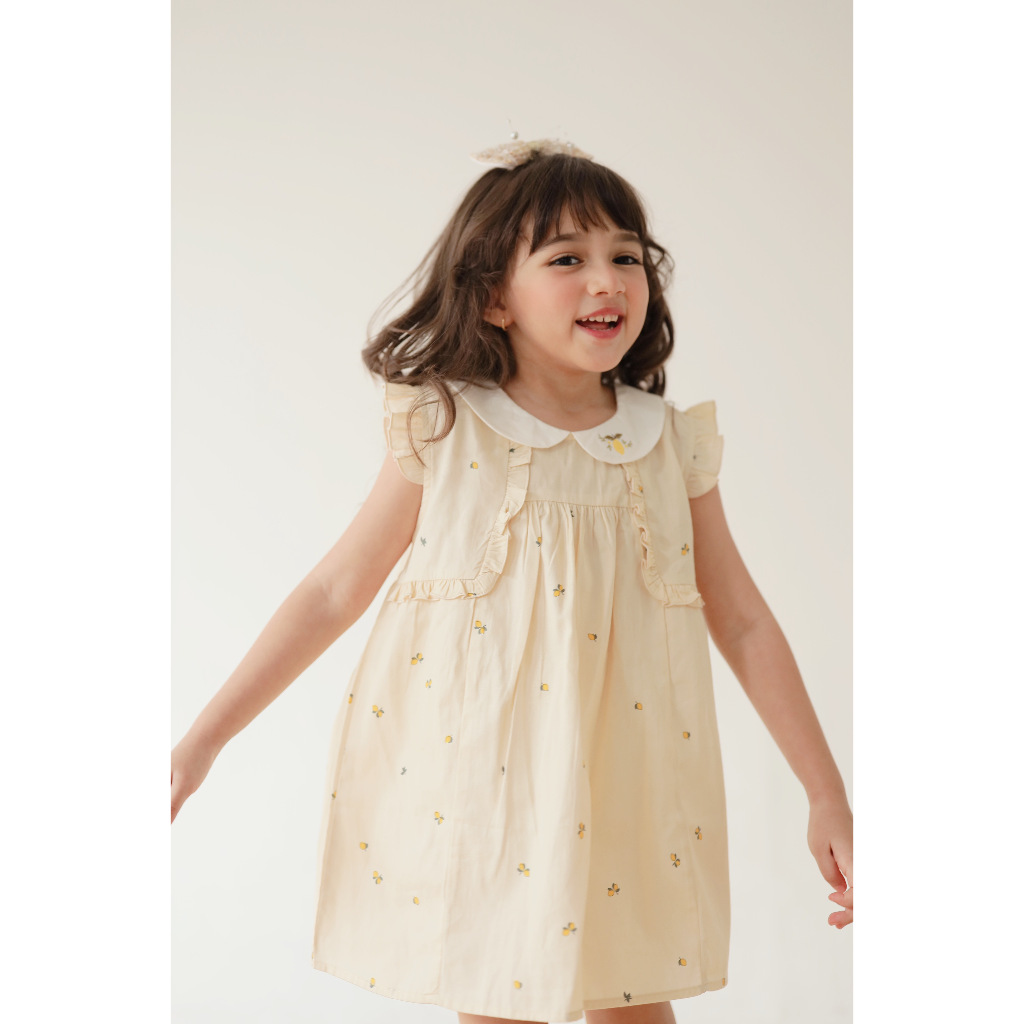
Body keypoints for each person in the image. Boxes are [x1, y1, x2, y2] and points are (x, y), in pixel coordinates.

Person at [171, 138, 853, 1024]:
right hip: (480, 785)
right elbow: (336, 590)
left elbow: (745, 620)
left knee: (634, 1003)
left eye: (627, 257)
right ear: (494, 296)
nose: (607, 280)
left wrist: (827, 793)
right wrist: (203, 741)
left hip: (629, 782)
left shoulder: (668, 442)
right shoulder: (447, 426)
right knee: (499, 1000)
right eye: (567, 258)